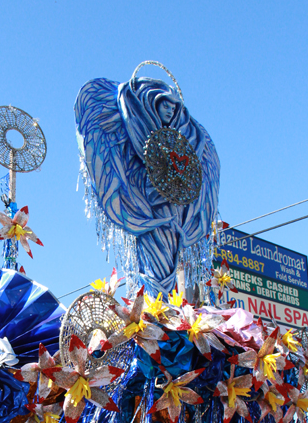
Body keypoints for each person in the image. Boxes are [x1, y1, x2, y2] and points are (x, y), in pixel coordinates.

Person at [75, 74, 220, 294]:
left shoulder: (185, 141)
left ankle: (162, 316)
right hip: (150, 214)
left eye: (174, 107)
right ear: (152, 103)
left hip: (173, 219)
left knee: (168, 273)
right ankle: (154, 314)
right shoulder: (133, 130)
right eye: (165, 105)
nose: (170, 111)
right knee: (154, 277)